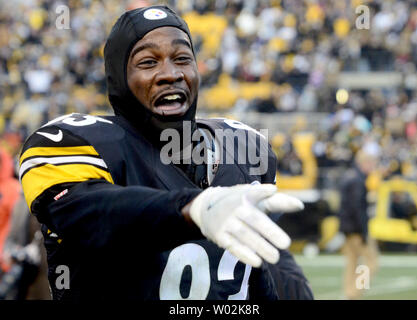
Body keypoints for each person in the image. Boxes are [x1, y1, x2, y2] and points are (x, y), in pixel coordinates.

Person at [19, 5, 312, 300]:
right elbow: (94, 213)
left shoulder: (244, 147)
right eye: (148, 62)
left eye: (182, 58)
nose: (170, 74)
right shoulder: (75, 142)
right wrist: (193, 210)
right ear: (119, 78)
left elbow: (260, 274)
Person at [338, 150, 379, 300]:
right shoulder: (358, 180)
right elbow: (357, 209)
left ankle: (348, 293)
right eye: (372, 163)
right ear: (365, 162)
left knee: (352, 263)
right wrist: (364, 232)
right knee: (371, 263)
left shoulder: (349, 176)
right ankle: (353, 294)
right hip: (356, 229)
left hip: (347, 228)